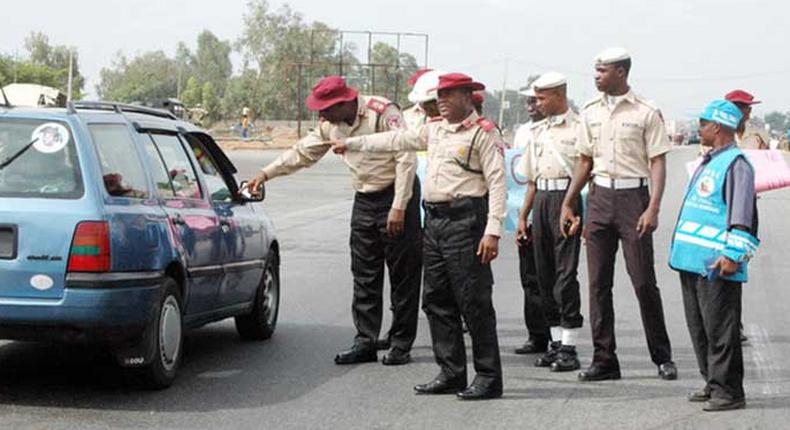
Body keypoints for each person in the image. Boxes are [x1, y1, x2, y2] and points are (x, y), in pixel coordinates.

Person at [332, 72, 506, 400]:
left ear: (468, 96)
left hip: (466, 221)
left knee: (473, 302)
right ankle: (452, 372)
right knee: (436, 300)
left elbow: (496, 183)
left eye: (449, 95)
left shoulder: (482, 132)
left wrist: (493, 231)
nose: (441, 100)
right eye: (439, 95)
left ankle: (488, 376)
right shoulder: (435, 128)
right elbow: (394, 141)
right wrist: (352, 143)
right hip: (435, 221)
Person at [248, 76, 422, 366]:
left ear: (343, 103)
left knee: (403, 274)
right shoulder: (331, 124)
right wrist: (265, 173)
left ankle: (401, 343)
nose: (321, 115)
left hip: (397, 195)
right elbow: (302, 152)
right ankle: (365, 341)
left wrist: (399, 206)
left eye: (325, 109)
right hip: (365, 199)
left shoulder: (382, 112)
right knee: (364, 274)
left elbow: (406, 156)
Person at [560, 47, 676, 381]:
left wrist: (653, 206)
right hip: (598, 197)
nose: (596, 75)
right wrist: (570, 201)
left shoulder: (645, 111)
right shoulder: (590, 111)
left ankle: (662, 356)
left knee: (643, 282)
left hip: (633, 199)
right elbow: (584, 160)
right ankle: (604, 359)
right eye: (595, 70)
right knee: (598, 284)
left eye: (602, 70)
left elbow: (657, 160)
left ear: (621, 72)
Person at [669, 99, 758, 412]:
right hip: (692, 261)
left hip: (717, 263)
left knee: (721, 330)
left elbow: (742, 214)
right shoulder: (709, 159)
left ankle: (729, 391)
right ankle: (712, 381)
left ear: (717, 127)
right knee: (701, 328)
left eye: (704, 123)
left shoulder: (737, 164)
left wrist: (733, 254)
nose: (699, 128)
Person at [518, 72, 583, 372]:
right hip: (542, 200)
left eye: (542, 98)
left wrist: (578, 209)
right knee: (544, 276)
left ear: (559, 95)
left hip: (567, 201)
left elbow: (588, 171)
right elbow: (532, 179)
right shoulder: (537, 131)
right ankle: (555, 343)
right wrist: (523, 216)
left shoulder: (580, 127)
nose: (538, 103)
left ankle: (570, 346)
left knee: (565, 276)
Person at [512, 83, 551, 355]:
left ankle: (558, 336)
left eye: (535, 100)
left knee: (553, 276)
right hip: (527, 208)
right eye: (527, 101)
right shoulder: (522, 132)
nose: (530, 105)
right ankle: (536, 335)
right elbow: (518, 176)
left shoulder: (565, 130)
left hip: (554, 207)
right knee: (530, 277)